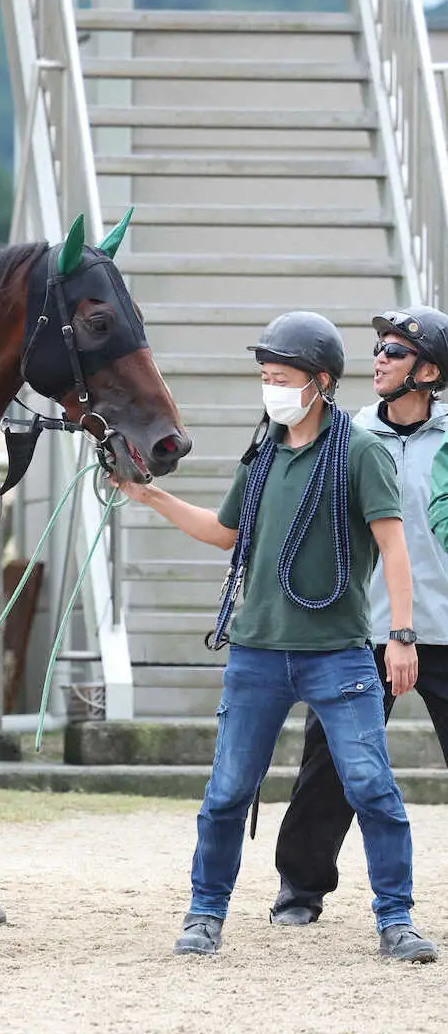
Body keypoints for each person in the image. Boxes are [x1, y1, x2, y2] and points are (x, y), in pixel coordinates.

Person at [119, 311, 437, 963]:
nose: (270, 388)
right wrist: (151, 498)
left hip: (340, 655)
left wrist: (399, 634)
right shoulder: (262, 454)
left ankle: (395, 919)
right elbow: (226, 533)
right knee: (227, 792)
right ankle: (204, 913)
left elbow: (393, 547)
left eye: (281, 377)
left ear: (319, 382)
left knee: (371, 787)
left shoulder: (360, 451)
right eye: (265, 377)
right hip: (257, 654)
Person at [270, 306, 448, 926]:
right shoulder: (343, 435)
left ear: (429, 371)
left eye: (395, 352)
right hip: (362, 630)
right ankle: (300, 889)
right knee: (330, 766)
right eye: (377, 348)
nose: (378, 359)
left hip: (447, 629)